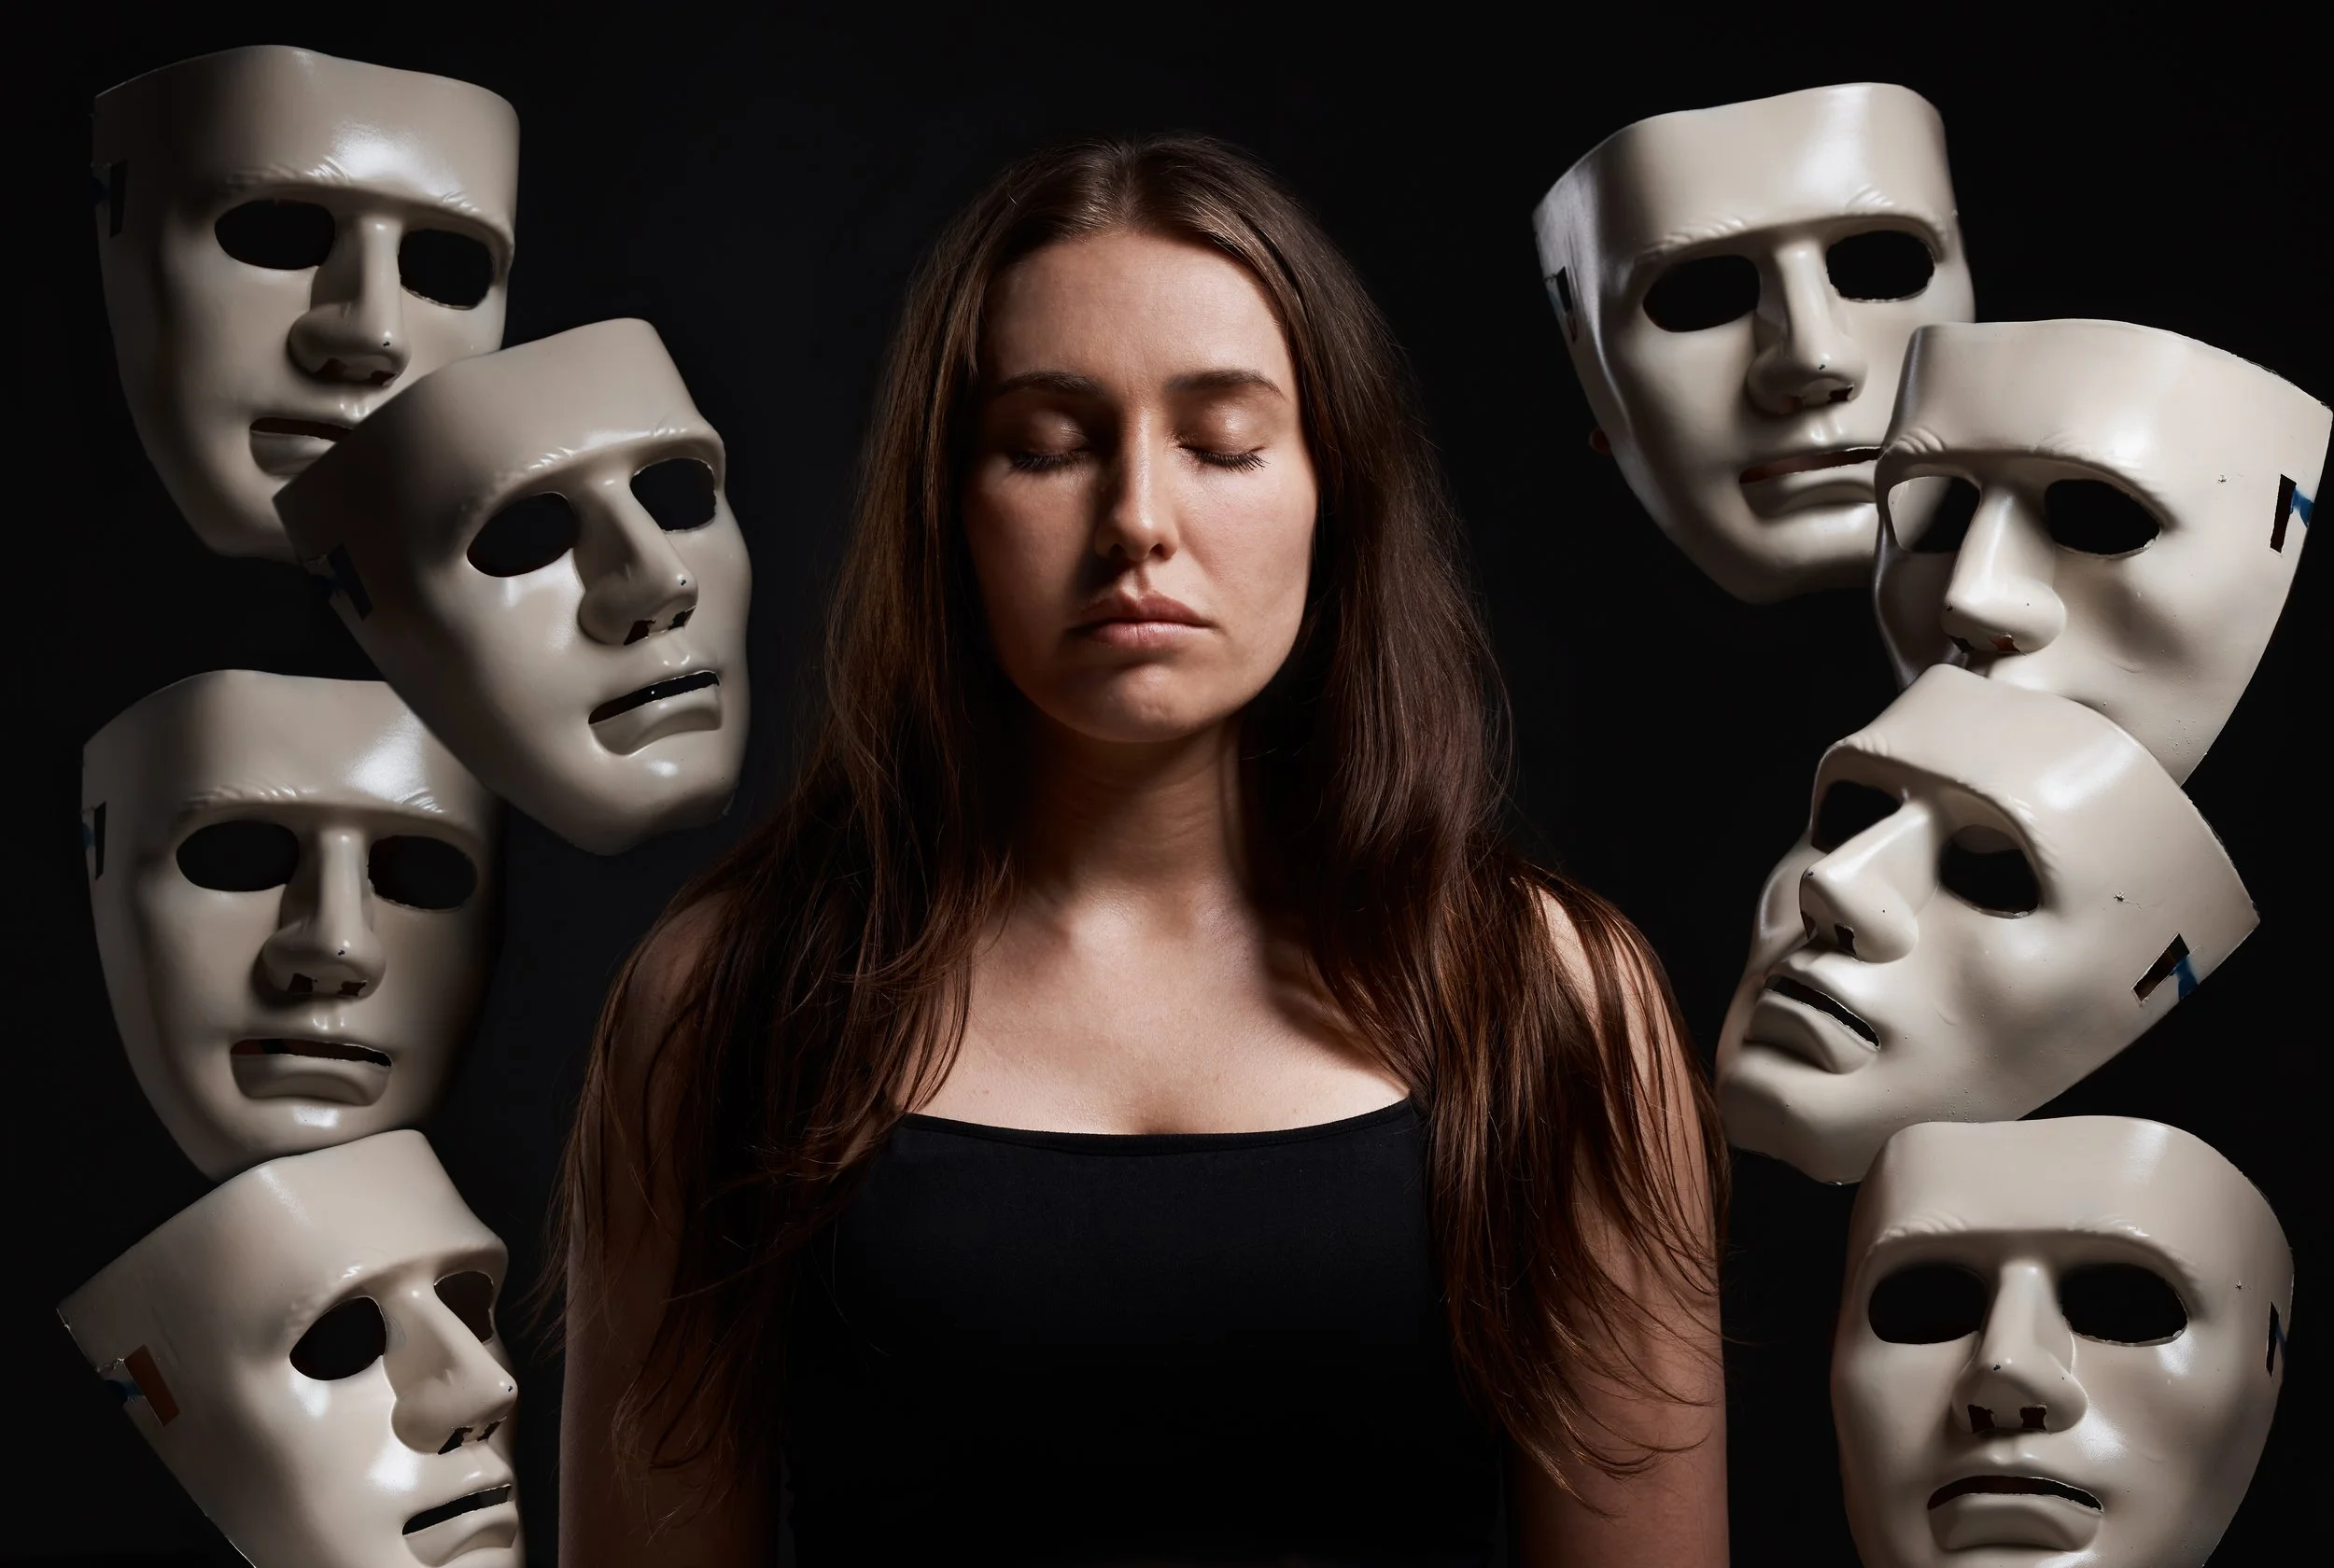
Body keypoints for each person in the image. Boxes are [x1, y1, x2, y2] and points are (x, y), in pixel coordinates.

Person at [557, 134, 1726, 1566]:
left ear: (1332, 491)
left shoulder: (1553, 1004)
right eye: (1046, 447)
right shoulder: (728, 1001)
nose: (1137, 524)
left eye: (1223, 443)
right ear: (947, 507)